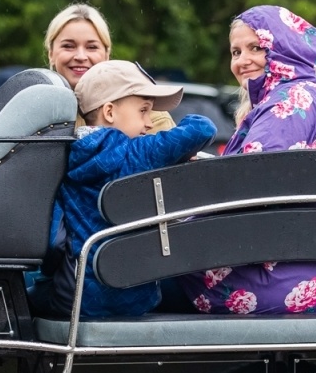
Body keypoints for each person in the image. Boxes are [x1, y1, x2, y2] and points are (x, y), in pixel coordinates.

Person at [168, 5, 316, 315]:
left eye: (256, 47)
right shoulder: (306, 93)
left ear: (285, 47)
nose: (242, 60)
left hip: (278, 280)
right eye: (236, 52)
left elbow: (247, 187)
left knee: (138, 275)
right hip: (311, 268)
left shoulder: (290, 101)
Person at [29, 61, 215, 319]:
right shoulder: (138, 153)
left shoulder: (67, 157)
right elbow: (202, 128)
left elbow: (55, 243)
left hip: (74, 299)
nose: (149, 123)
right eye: (144, 110)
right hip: (134, 299)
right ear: (109, 112)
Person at [42, 2, 173, 132]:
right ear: (51, 53)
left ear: (106, 55)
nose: (81, 56)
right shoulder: (35, 111)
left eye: (92, 47)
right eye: (68, 46)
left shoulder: (153, 117)